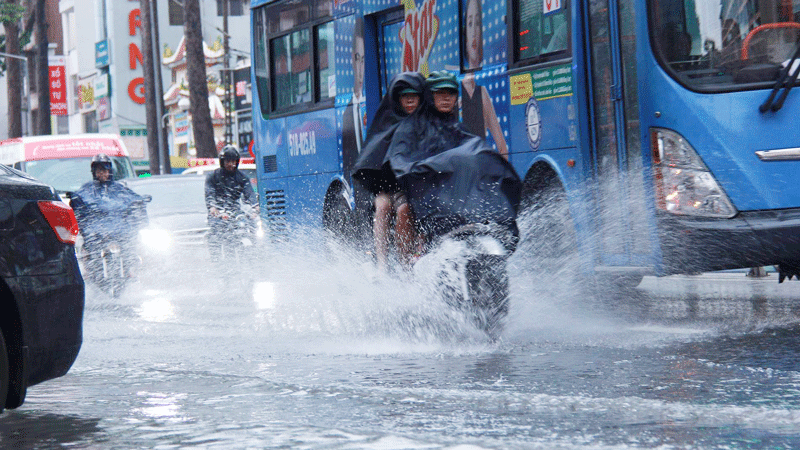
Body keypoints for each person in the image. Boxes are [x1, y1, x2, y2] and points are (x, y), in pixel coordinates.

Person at [387, 70, 521, 263]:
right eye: (440, 93)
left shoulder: (458, 129)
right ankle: (407, 267)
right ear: (429, 96)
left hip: (450, 190)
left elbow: (474, 149)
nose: (445, 98)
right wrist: (423, 168)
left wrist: (488, 161)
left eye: (450, 93)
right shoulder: (410, 127)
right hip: (417, 187)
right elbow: (398, 160)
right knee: (405, 209)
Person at [352, 72, 426, 270]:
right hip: (387, 187)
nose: (409, 100)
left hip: (416, 189)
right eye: (404, 96)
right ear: (397, 99)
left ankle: (405, 265)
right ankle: (382, 266)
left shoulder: (427, 122)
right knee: (383, 207)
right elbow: (373, 158)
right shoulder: (386, 121)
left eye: (414, 95)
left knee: (404, 210)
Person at [70, 153, 147, 279]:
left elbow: (132, 199)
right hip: (96, 233)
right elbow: (79, 201)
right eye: (99, 171)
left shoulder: (119, 188)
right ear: (94, 172)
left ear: (109, 171)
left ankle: (130, 269)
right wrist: (74, 199)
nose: (102, 174)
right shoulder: (87, 189)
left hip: (119, 231)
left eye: (105, 171)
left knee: (130, 246)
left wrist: (140, 201)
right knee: (90, 250)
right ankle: (92, 271)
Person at [461, 0, 508, 158]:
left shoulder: (481, 93)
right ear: (464, 33)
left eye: (478, 23)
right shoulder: (453, 92)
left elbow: (503, 149)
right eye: (470, 23)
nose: (474, 32)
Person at [205, 145, 259, 261]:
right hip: (218, 213)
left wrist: (255, 206)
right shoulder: (213, 177)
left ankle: (254, 258)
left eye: (233, 161)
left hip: (235, 212)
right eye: (228, 161)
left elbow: (249, 193)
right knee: (216, 233)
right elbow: (210, 194)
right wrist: (213, 207)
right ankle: (217, 261)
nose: (231, 164)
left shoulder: (242, 177)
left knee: (251, 227)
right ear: (222, 162)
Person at [342, 17, 366, 180]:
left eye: (364, 60)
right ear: (352, 59)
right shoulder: (346, 114)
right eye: (358, 58)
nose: (360, 69)